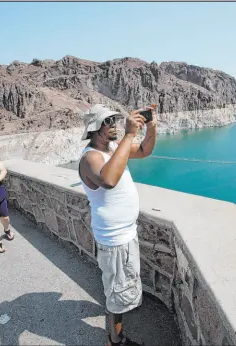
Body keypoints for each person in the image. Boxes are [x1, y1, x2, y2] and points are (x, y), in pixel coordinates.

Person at [78, 104, 157, 346]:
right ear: (95, 128)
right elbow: (109, 180)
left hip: (125, 233)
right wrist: (130, 134)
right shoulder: (90, 157)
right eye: (108, 122)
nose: (114, 125)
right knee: (116, 292)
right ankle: (116, 340)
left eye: (115, 120)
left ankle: (116, 333)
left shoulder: (112, 148)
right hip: (113, 239)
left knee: (121, 286)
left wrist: (151, 127)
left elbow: (144, 151)